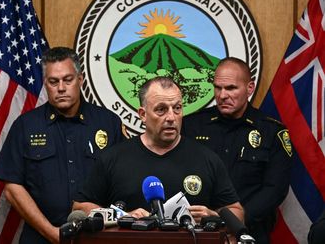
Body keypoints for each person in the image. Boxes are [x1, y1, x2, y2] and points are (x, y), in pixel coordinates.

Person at [0, 47, 127, 244]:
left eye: (68, 80)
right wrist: (52, 233)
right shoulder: (25, 126)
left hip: (99, 236)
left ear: (80, 80)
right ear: (45, 83)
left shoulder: (108, 123)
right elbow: (12, 189)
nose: (61, 88)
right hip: (40, 237)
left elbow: (123, 181)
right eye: (53, 81)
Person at [73, 76, 244, 224]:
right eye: (161, 110)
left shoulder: (207, 159)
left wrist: (212, 216)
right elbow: (80, 208)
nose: (171, 117)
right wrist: (121, 217)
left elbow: (237, 213)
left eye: (177, 108)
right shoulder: (113, 158)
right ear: (143, 114)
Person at [182, 57, 293, 243]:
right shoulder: (192, 127)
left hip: (249, 231)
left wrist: (234, 223)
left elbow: (275, 189)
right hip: (198, 232)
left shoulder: (271, 132)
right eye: (218, 87)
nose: (222, 95)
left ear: (249, 88)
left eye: (231, 88)